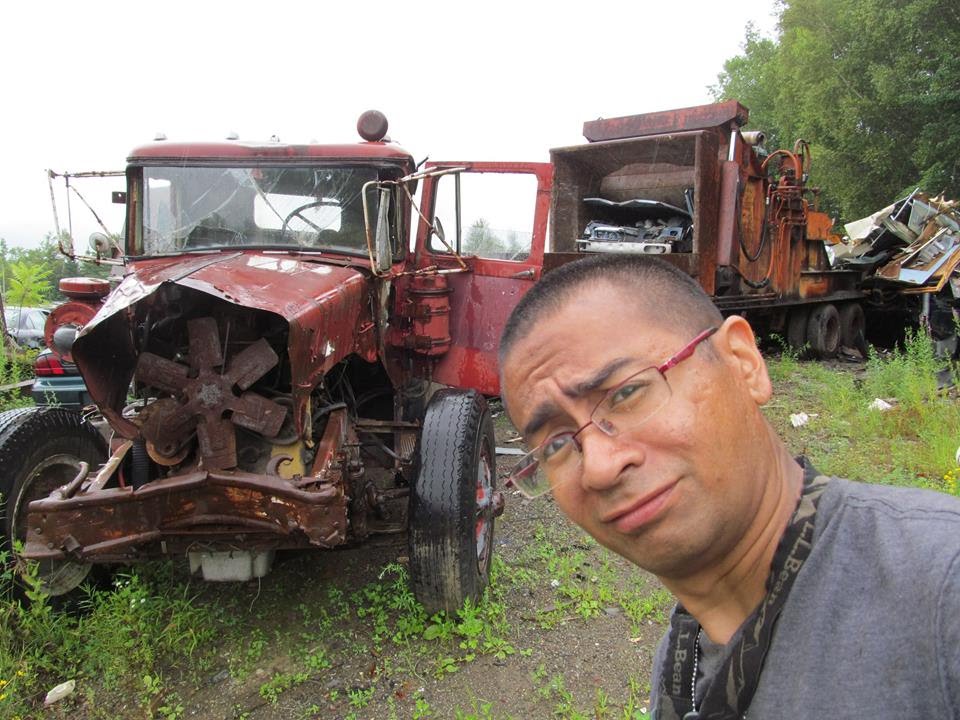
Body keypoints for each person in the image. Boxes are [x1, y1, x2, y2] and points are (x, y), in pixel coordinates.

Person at [497, 254, 960, 720]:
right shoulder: (682, 664)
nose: (597, 467)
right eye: (558, 443)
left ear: (743, 362)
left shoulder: (938, 590)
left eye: (626, 393)